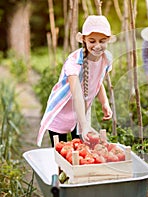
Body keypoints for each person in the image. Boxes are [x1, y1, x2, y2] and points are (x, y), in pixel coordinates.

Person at [37, 15, 113, 147]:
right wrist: (84, 125)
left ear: (108, 40)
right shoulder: (74, 62)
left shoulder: (106, 58)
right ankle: (60, 168)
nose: (97, 46)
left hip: (81, 112)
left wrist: (104, 102)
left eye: (102, 41)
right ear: (84, 39)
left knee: (81, 151)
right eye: (92, 41)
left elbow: (98, 81)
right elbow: (76, 93)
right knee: (61, 152)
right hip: (62, 110)